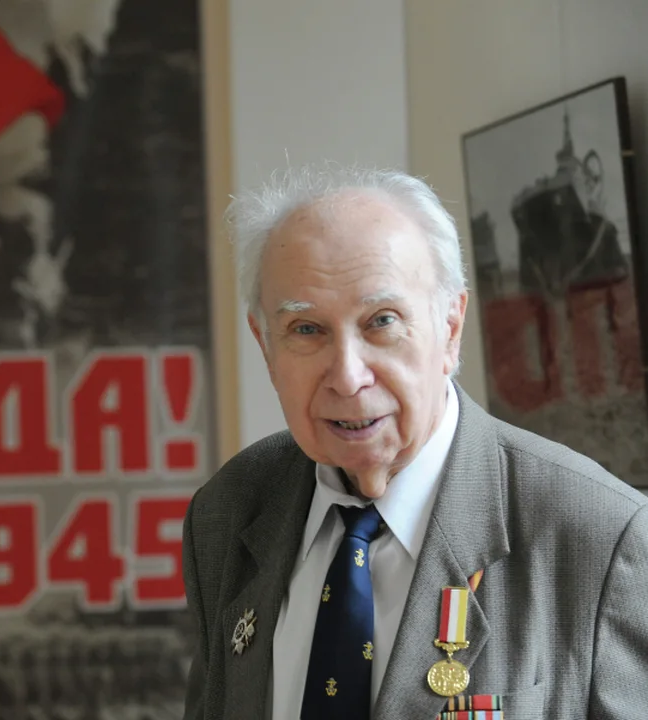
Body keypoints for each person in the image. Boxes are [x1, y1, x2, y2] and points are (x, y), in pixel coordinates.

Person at [180, 165, 648, 720]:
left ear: (450, 328)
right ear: (265, 345)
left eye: (381, 322)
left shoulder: (602, 537)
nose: (348, 377)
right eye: (306, 329)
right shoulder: (228, 511)